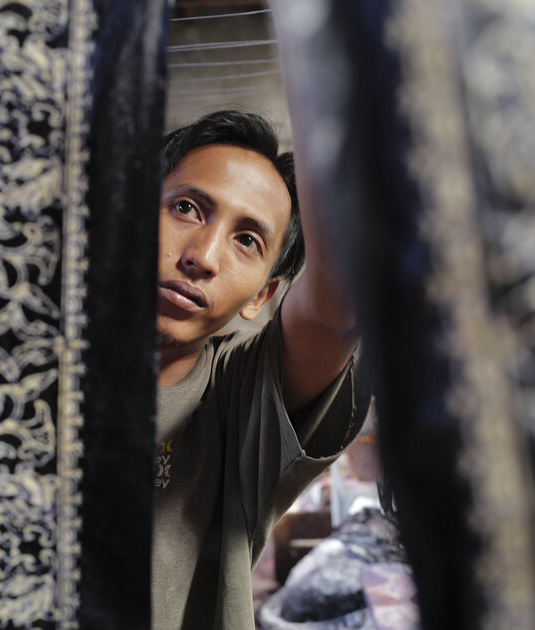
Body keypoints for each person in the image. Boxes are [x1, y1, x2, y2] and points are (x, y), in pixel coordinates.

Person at [152, 110, 368, 630]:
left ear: (262, 296)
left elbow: (337, 304)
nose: (202, 257)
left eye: (247, 240)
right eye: (186, 208)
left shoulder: (239, 400)